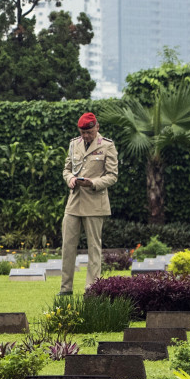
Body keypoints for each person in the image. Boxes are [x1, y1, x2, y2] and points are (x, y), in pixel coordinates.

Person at [59, 111, 119, 295]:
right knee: (67, 246)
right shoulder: (74, 144)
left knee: (94, 247)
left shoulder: (107, 146)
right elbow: (67, 168)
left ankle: (92, 288)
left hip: (95, 202)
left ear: (97, 127)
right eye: (83, 132)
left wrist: (93, 183)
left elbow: (112, 176)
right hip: (74, 202)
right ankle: (65, 288)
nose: (86, 136)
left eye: (89, 132)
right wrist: (69, 178)